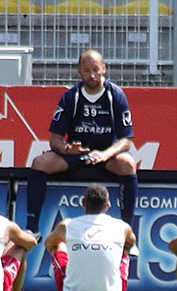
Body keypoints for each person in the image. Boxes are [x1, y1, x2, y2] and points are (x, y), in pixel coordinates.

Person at [26, 49, 138, 241]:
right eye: (87, 70)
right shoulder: (72, 96)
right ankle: (32, 228)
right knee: (39, 163)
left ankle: (128, 231)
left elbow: (126, 140)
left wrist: (105, 154)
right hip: (76, 155)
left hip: (105, 156)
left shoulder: (115, 96)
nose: (92, 75)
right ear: (79, 71)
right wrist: (67, 149)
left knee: (127, 164)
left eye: (96, 69)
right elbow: (54, 140)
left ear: (104, 69)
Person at [44, 183, 137, 291]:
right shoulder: (122, 227)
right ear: (107, 205)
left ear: (83, 203)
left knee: (58, 245)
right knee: (125, 251)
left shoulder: (67, 225)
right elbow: (132, 242)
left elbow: (48, 243)